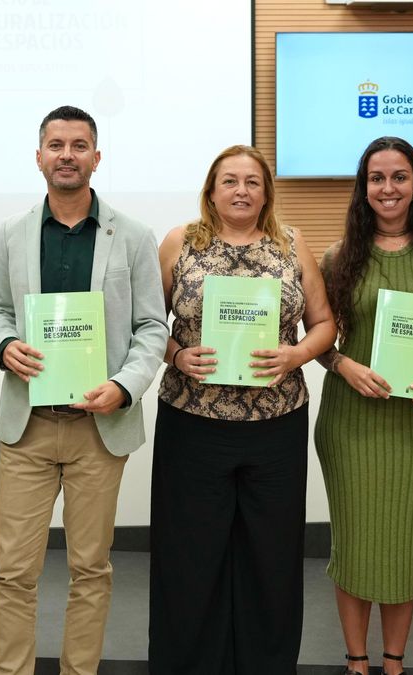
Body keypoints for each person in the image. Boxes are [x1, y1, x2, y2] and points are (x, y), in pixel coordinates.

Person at [0, 105, 167, 675]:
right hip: (28, 426)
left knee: (91, 568)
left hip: (99, 428)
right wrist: (3, 345)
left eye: (79, 144)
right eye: (56, 144)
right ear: (39, 156)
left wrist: (125, 386)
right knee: (14, 570)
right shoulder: (14, 232)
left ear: (96, 156)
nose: (67, 154)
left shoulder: (133, 236)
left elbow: (152, 328)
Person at [148, 145, 336, 673]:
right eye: (229, 181)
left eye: (252, 182)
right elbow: (144, 324)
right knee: (191, 555)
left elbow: (325, 324)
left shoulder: (292, 243)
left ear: (266, 192)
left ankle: (266, 663)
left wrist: (297, 353)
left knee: (270, 556)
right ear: (211, 189)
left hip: (274, 425)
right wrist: (177, 354)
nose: (241, 190)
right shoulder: (179, 242)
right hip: (192, 421)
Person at [314, 137, 413, 675]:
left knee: (404, 546)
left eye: (399, 177)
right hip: (351, 423)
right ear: (363, 188)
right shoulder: (338, 258)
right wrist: (341, 365)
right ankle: (357, 662)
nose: (388, 188)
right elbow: (318, 339)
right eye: (376, 178)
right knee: (354, 544)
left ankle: (395, 662)